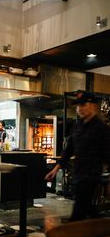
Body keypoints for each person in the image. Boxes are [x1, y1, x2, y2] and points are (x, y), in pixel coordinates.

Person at [45, 91, 110, 221]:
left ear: (92, 106)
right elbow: (68, 150)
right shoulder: (77, 126)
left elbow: (108, 154)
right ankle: (101, 228)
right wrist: (55, 169)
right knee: (87, 206)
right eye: (78, 106)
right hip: (78, 173)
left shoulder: (101, 128)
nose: (79, 108)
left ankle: (70, 233)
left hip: (91, 175)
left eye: (83, 105)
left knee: (79, 208)